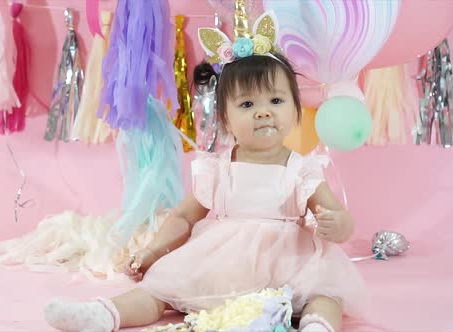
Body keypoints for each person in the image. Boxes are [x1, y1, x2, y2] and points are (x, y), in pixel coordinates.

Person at [44, 10, 367, 332]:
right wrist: (153, 251)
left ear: (295, 108)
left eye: (276, 100)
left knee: (325, 294)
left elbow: (338, 215)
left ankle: (317, 326)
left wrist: (336, 225)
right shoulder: (217, 168)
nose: (263, 112)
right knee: (162, 290)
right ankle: (103, 315)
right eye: (247, 105)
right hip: (222, 261)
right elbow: (184, 217)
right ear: (225, 119)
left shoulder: (302, 169)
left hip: (289, 262)